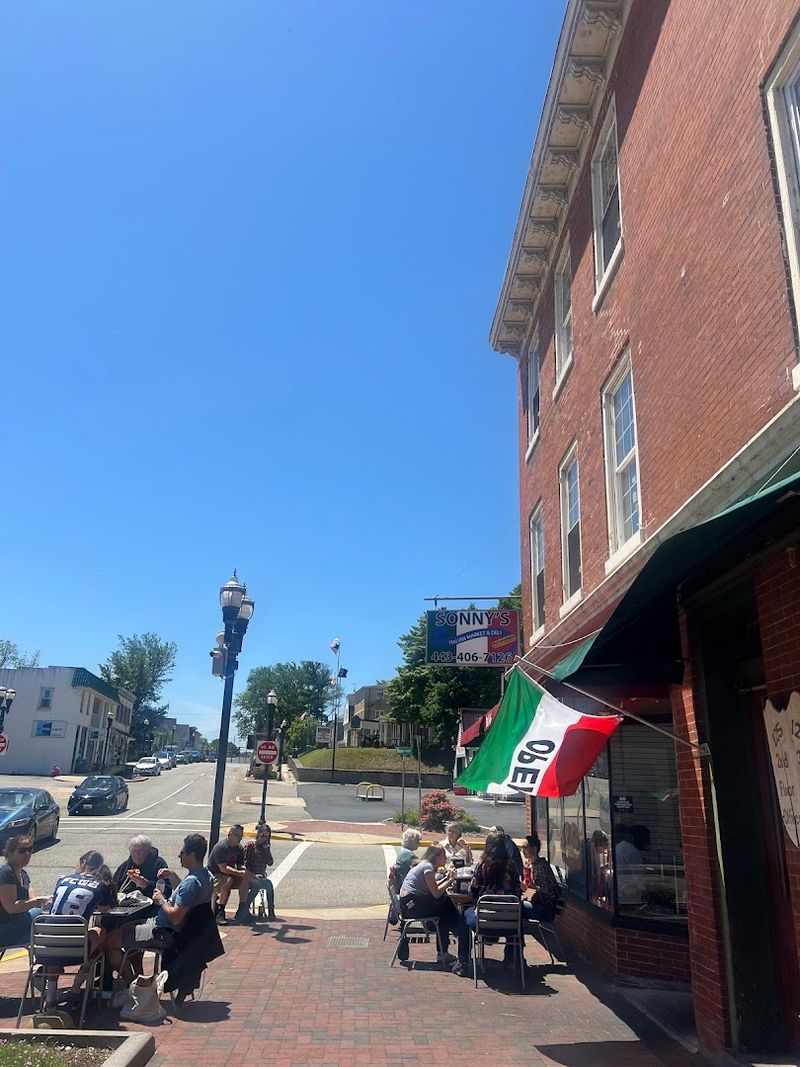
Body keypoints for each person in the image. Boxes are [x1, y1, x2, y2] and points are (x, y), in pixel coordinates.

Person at [105, 833, 212, 979]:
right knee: (128, 934)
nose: (179, 856)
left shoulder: (191, 882)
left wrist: (161, 900)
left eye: (182, 853)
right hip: (178, 930)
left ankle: (132, 988)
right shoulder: (206, 876)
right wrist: (173, 876)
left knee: (109, 941)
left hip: (164, 932)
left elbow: (175, 917)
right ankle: (138, 980)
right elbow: (184, 895)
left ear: (191, 855)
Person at [43, 851, 116, 1010]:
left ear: (83, 863)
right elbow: (104, 909)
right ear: (99, 867)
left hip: (45, 948)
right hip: (76, 951)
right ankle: (76, 988)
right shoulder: (100, 884)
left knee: (57, 939)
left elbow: (51, 903)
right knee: (100, 932)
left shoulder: (62, 879)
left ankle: (50, 997)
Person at [398, 844, 469, 973]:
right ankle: (459, 932)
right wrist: (450, 880)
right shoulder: (428, 868)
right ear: (436, 856)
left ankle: (447, 947)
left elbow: (432, 888)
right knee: (446, 906)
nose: (446, 859)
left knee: (445, 907)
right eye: (444, 856)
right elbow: (435, 893)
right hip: (412, 906)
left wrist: (446, 879)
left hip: (409, 904)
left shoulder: (424, 865)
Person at [463, 831, 522, 970]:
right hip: (508, 923)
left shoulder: (482, 866)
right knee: (519, 922)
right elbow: (517, 892)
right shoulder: (511, 866)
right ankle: (513, 960)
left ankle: (463, 961)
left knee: (464, 919)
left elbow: (473, 891)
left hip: (484, 921)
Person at [0, 836, 49, 948]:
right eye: (22, 851)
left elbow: (32, 900)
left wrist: (46, 902)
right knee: (43, 917)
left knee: (50, 914)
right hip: (4, 929)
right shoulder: (6, 874)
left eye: (30, 850)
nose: (27, 854)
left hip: (19, 923)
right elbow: (11, 908)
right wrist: (40, 901)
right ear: (10, 853)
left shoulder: (24, 874)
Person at [208, 824, 252, 925]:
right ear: (230, 834)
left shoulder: (239, 848)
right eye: (238, 836)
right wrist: (239, 873)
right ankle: (220, 911)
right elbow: (223, 868)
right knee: (228, 880)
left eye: (241, 836)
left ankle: (242, 909)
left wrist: (247, 872)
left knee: (245, 879)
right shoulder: (221, 847)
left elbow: (240, 865)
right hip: (215, 874)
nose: (240, 839)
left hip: (229, 874)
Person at [243, 824, 277, 920]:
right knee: (256, 885)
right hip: (250, 876)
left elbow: (270, 862)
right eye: (262, 836)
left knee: (269, 885)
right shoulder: (251, 845)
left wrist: (267, 850)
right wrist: (252, 875)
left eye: (267, 837)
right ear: (258, 834)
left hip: (260, 876)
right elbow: (245, 863)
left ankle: (271, 911)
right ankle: (245, 907)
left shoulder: (265, 848)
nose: (264, 839)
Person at [520, 834, 559, 922]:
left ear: (534, 848)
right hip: (536, 903)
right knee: (515, 907)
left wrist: (535, 888)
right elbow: (528, 888)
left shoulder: (541, 866)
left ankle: (516, 934)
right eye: (521, 847)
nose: (523, 850)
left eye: (525, 847)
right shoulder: (529, 865)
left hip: (546, 908)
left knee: (517, 909)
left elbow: (548, 890)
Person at [615, 824, 645, 905]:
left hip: (620, 891)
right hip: (630, 893)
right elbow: (638, 875)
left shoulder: (618, 848)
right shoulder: (632, 850)